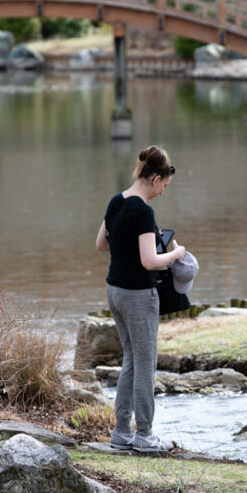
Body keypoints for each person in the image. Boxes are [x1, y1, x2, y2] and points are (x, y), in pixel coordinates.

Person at [96, 145, 187, 453]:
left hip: (114, 291)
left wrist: (130, 242)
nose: (163, 192)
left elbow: (101, 244)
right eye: (164, 186)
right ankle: (145, 434)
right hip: (137, 296)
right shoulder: (143, 212)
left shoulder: (116, 202)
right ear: (155, 179)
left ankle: (122, 431)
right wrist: (175, 253)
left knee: (131, 361)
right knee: (145, 364)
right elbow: (150, 261)